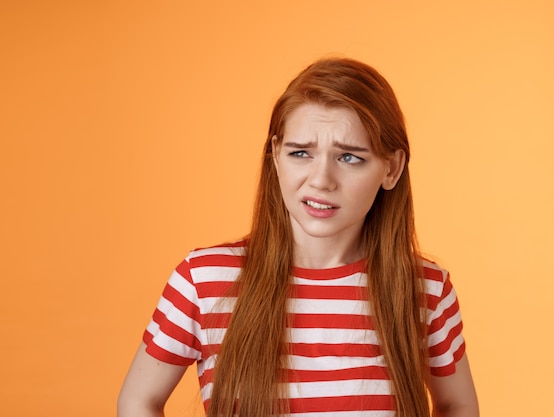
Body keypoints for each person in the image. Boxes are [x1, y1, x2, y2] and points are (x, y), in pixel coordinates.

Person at [118, 57, 479, 417]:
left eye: (350, 157)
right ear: (275, 155)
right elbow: (138, 401)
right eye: (301, 153)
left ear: (392, 168)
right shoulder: (202, 280)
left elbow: (456, 405)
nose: (321, 179)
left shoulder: (426, 289)